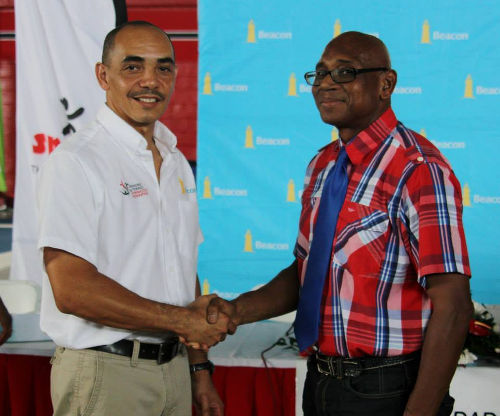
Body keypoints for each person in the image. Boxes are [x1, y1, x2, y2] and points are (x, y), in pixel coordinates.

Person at [204, 32, 472, 416]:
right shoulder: (322, 166)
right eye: (320, 73)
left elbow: (455, 306)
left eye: (345, 72)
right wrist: (234, 311)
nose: (327, 83)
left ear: (386, 84)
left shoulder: (418, 170)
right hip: (322, 380)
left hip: (390, 388)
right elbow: (307, 274)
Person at [37, 21, 230, 416]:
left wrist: (199, 372)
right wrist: (183, 320)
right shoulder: (77, 160)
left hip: (173, 370)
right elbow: (72, 289)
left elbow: (181, 272)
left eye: (163, 67)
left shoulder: (175, 160)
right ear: (102, 75)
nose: (150, 80)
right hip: (106, 374)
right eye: (132, 66)